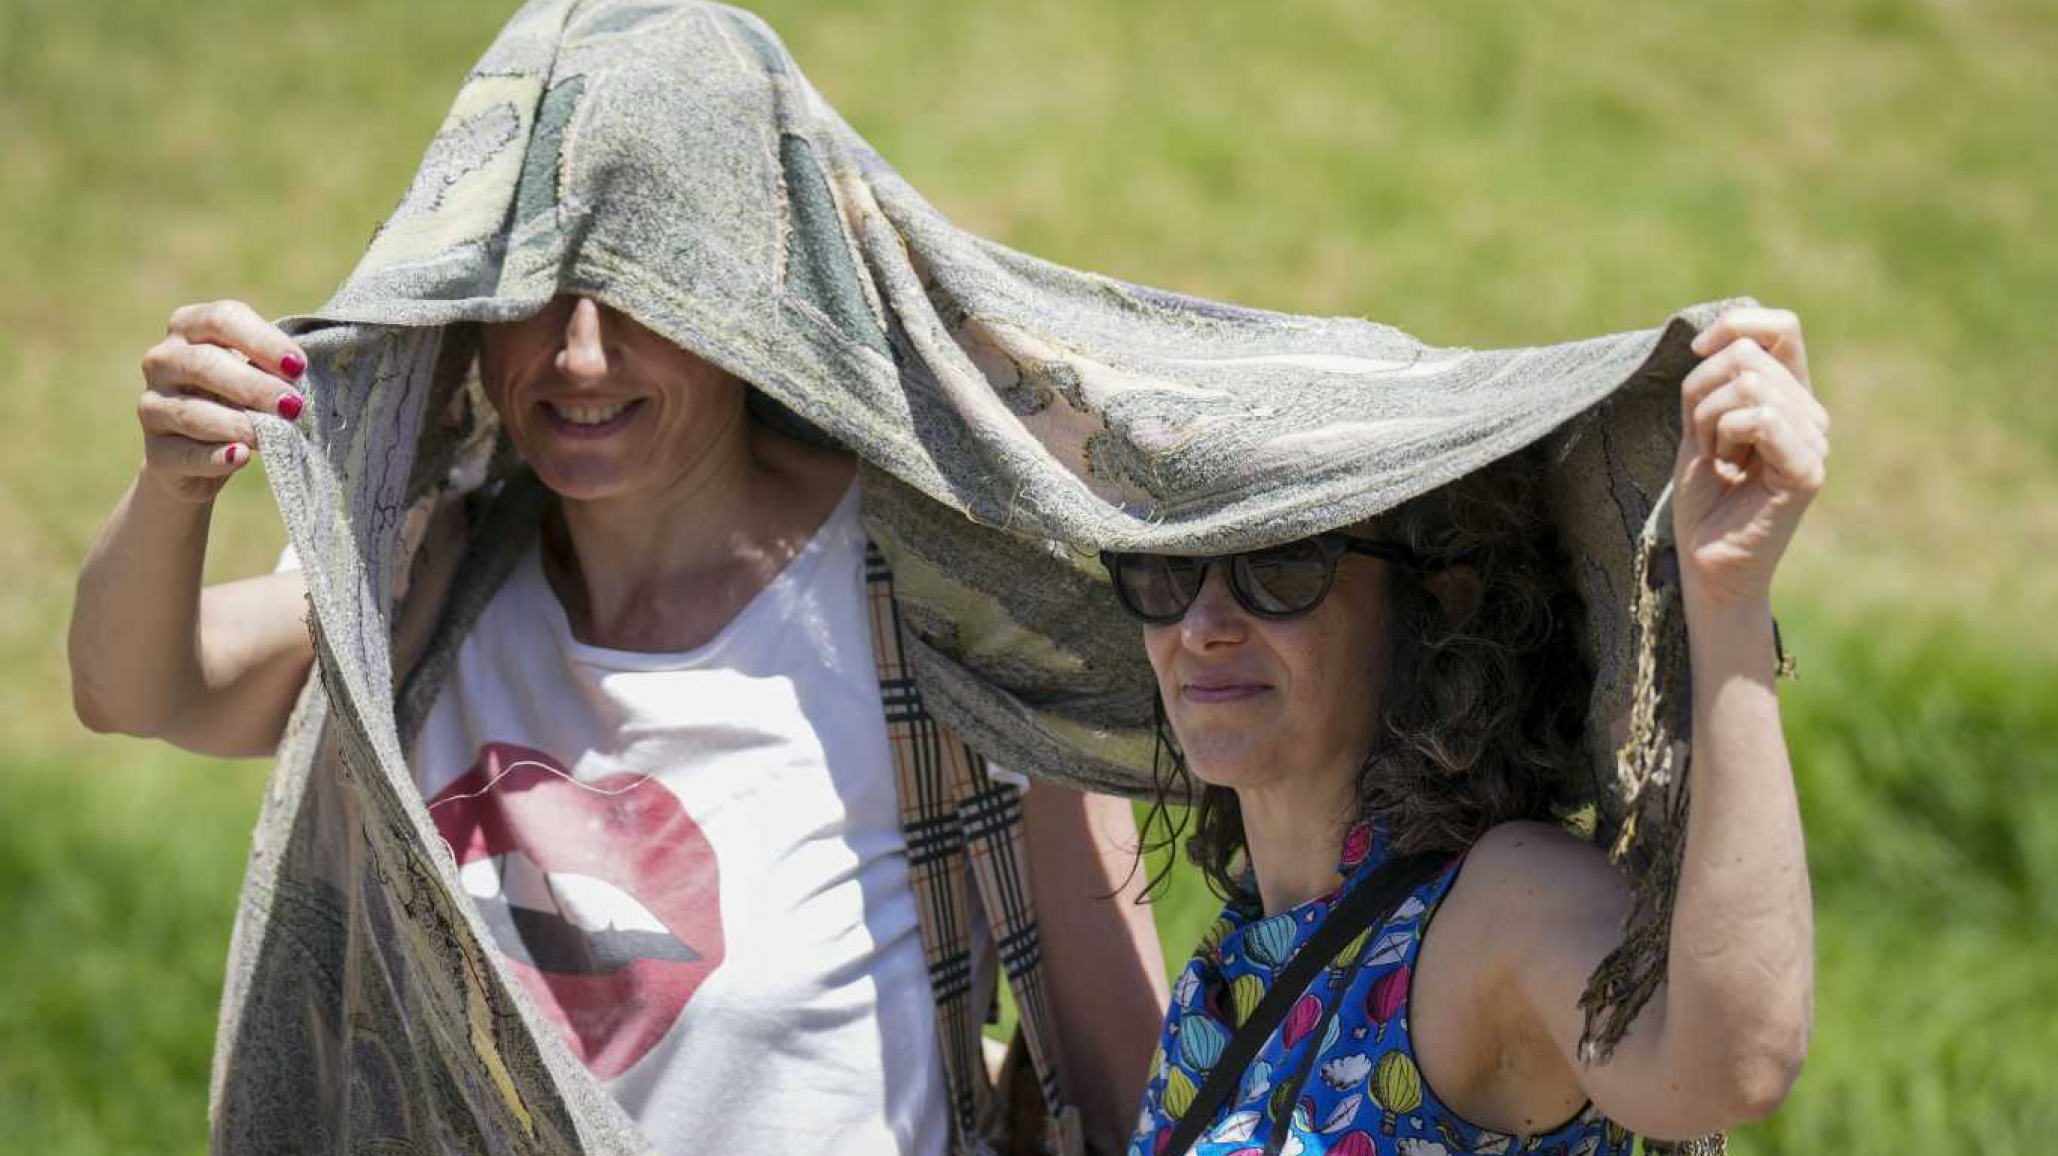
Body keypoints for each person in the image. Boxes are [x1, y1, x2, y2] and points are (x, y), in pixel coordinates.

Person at [68, 293, 1167, 1154]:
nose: (580, 357)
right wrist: (175, 486)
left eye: (639, 299)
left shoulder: (945, 607)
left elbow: (1131, 1097)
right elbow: (138, 688)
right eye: (533, 296)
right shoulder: (432, 575)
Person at [1114, 307, 1825, 1154]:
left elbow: (1731, 1067)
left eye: (1280, 567)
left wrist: (1729, 599)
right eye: (1167, 568)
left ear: (1438, 589)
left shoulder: (1495, 909)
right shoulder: (1238, 960)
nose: (1201, 625)